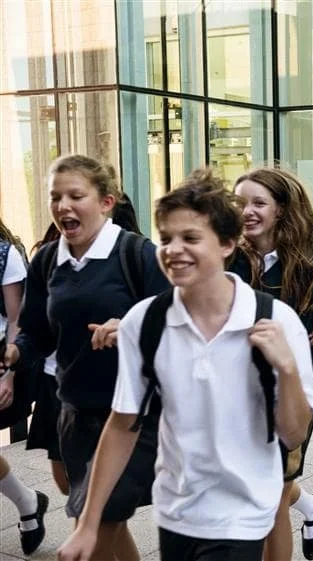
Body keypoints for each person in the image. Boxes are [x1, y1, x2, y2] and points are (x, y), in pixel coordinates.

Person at [58, 169, 313, 561]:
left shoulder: (276, 321)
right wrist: (89, 524)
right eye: (166, 238)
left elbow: (293, 433)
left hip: (243, 512)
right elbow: (122, 425)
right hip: (176, 511)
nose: (173, 250)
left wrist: (288, 370)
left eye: (191, 238)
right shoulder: (143, 322)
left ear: (228, 243)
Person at [4, 154, 170, 561]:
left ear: (106, 202)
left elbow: (173, 323)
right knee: (105, 523)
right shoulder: (47, 260)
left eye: (75, 195)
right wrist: (12, 352)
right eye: (55, 197)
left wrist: (129, 325)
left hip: (132, 413)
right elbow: (36, 333)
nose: (63, 206)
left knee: (95, 526)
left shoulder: (138, 254)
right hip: (75, 410)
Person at [230, 166, 313, 561]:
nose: (248, 211)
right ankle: (309, 506)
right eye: (240, 203)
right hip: (233, 388)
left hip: (288, 391)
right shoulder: (227, 255)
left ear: (282, 210)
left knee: (272, 496)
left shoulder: (311, 259)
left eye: (259, 202)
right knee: (252, 483)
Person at [0, 217, 49, 556]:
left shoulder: (5, 254)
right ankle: (28, 502)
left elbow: (18, 318)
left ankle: (28, 502)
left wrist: (7, 373)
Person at [25, 223, 69, 496]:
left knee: (91, 500)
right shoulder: (46, 258)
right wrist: (16, 352)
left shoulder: (128, 253)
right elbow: (30, 325)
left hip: (99, 391)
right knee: (65, 484)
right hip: (53, 381)